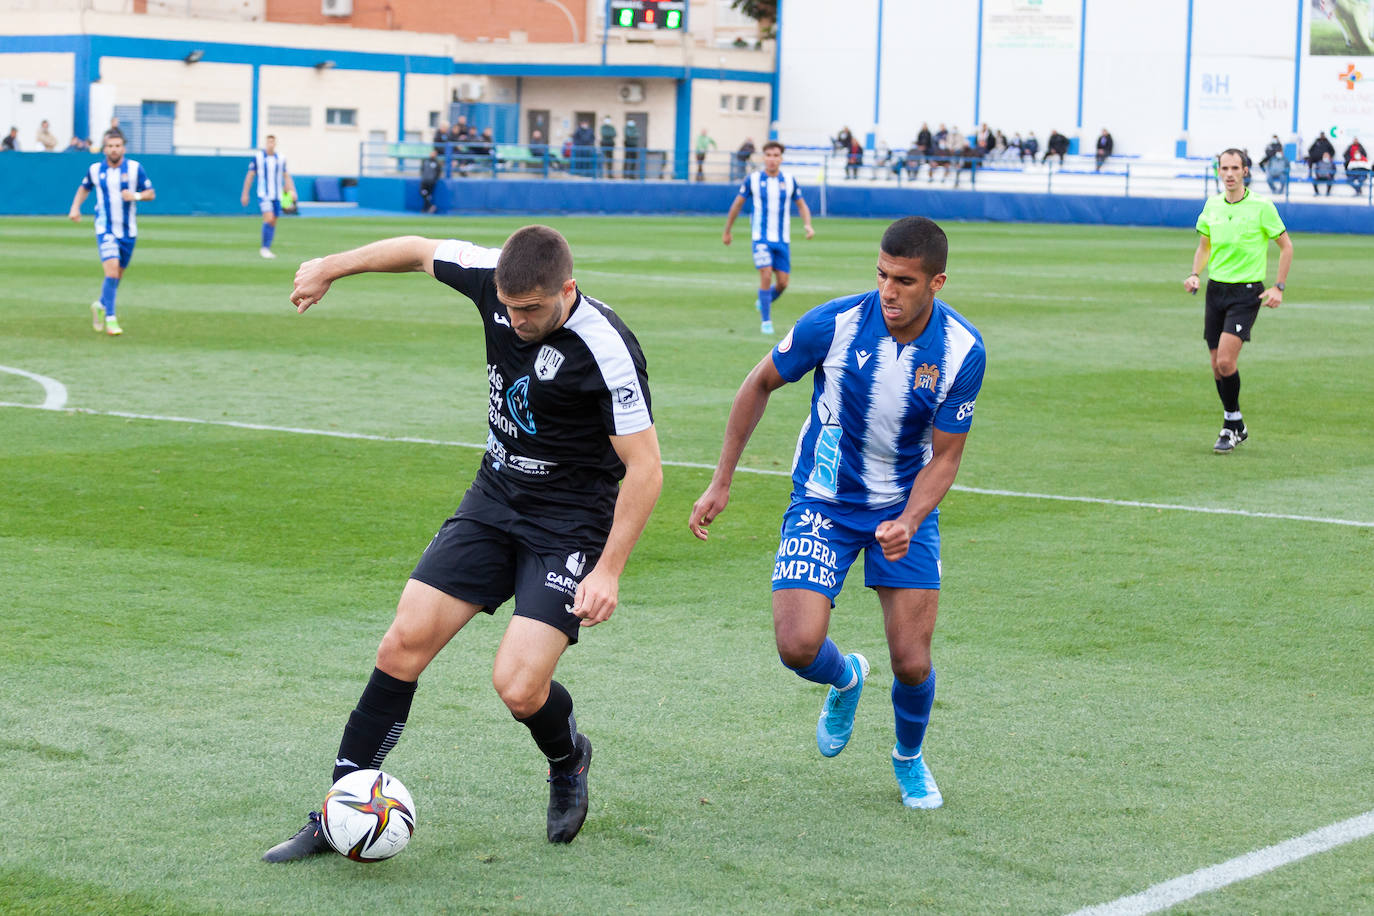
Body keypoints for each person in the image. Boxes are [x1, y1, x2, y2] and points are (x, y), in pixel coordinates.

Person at [262, 224, 663, 861]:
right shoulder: (494, 280)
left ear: (567, 288)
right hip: (494, 500)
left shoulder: (607, 349)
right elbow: (420, 250)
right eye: (507, 306)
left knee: (518, 688)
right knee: (402, 643)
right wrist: (330, 267)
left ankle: (568, 757)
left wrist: (608, 570)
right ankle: (338, 811)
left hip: (568, 526)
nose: (516, 318)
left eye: (530, 308)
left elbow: (646, 469)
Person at [689, 216, 985, 811]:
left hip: (904, 510)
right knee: (798, 645)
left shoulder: (962, 351)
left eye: (904, 280)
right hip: (824, 498)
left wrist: (911, 517)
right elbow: (758, 384)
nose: (889, 291)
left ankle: (908, 758)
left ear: (937, 283)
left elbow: (947, 456)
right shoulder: (834, 324)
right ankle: (846, 676)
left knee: (911, 659)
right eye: (882, 275)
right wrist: (722, 481)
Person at [1183, 148, 1292, 454]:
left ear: (1246, 171)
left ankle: (1230, 426)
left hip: (1246, 293)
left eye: (1235, 168)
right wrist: (1194, 274)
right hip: (1216, 291)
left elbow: (1286, 247)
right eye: (1224, 168)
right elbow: (1205, 246)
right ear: (1218, 171)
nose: (1229, 173)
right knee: (1216, 367)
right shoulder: (1213, 205)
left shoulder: (1261, 206)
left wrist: (1278, 287)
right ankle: (1236, 424)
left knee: (1226, 361)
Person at [722, 140, 816, 335]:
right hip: (761, 238)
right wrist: (727, 230)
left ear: (781, 158)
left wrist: (808, 225)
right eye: (768, 155)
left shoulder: (789, 180)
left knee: (783, 283)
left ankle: (763, 300)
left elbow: (801, 205)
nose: (772, 159)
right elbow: (737, 205)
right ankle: (766, 321)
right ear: (763, 157)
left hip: (782, 240)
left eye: (776, 155)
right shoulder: (753, 180)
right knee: (765, 274)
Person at [66, 131, 154, 337]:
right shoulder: (96, 169)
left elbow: (151, 193)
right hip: (105, 228)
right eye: (110, 146)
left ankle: (100, 304)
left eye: (117, 146)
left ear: (123, 147)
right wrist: (75, 208)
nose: (114, 149)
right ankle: (111, 318)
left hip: (128, 230)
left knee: (117, 276)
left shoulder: (135, 169)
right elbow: (84, 188)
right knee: (112, 272)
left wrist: (136, 196)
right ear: (104, 148)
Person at [240, 135, 295, 260]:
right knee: (269, 218)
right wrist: (245, 193)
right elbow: (250, 176)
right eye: (269, 142)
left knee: (274, 221)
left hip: (277, 195)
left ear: (275, 143)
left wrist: (292, 190)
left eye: (273, 142)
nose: (271, 144)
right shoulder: (258, 158)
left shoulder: (281, 159)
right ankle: (264, 248)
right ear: (266, 143)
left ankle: (267, 247)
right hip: (264, 194)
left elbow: (286, 176)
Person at [418, 147, 442, 213]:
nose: (433, 154)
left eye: (434, 154)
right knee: (423, 192)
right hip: (424, 180)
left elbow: (438, 172)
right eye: (432, 153)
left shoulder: (437, 163)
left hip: (431, 182)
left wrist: (435, 179)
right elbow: (422, 169)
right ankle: (430, 206)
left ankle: (424, 209)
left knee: (429, 195)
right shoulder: (425, 161)